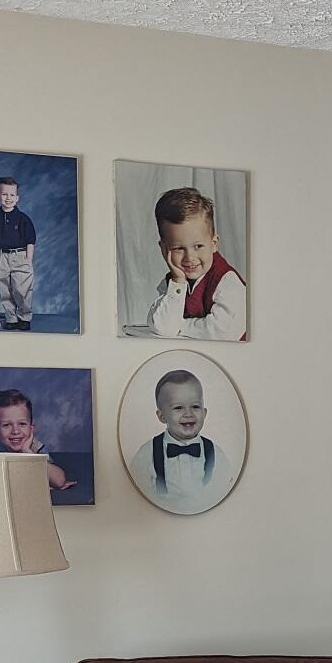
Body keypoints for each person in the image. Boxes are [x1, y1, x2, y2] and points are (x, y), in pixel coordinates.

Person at [143, 187, 246, 341]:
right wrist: (178, 282)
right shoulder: (174, 281)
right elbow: (162, 327)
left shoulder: (227, 280)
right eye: (178, 248)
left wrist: (180, 326)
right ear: (164, 249)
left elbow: (223, 332)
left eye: (198, 246)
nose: (190, 257)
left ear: (214, 243)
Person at [128, 368, 229, 513]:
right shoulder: (147, 453)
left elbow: (223, 487)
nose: (188, 414)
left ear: (204, 412)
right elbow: (136, 490)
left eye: (195, 406)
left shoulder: (215, 454)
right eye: (178, 407)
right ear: (162, 416)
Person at [0, 388, 75, 492]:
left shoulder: (31, 444)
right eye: (7, 425)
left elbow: (59, 481)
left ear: (31, 428)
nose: (16, 431)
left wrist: (28, 453)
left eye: (22, 424)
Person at [0, 175, 35, 332]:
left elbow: (31, 241)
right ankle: (11, 318)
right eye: (4, 194)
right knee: (4, 289)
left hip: (20, 256)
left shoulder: (23, 219)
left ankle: (24, 317)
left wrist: (28, 261)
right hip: (1, 256)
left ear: (17, 198)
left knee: (21, 290)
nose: (8, 198)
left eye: (12, 195)